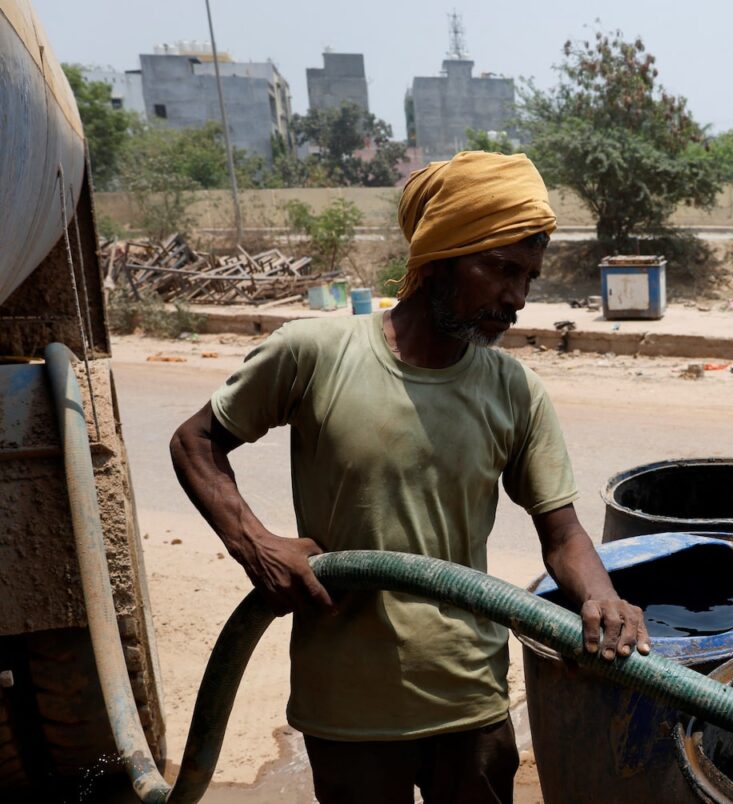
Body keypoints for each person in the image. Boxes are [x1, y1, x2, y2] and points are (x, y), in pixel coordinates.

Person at [169, 151, 647, 804]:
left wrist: (603, 597)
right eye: (501, 269)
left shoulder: (515, 390)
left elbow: (562, 535)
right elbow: (195, 442)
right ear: (442, 256)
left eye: (528, 277)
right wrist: (256, 544)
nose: (516, 298)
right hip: (347, 706)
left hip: (469, 699)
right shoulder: (314, 354)